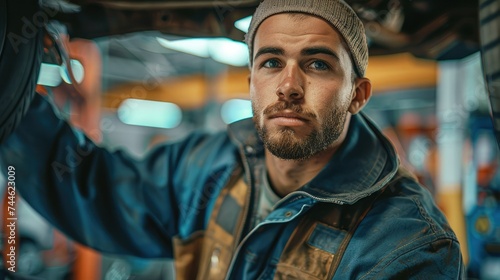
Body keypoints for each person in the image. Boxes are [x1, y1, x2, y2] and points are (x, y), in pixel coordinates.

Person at [1, 0, 464, 279]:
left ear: (357, 95)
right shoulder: (209, 164)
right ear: (251, 84)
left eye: (318, 63)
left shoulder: (406, 245)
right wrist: (9, 92)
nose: (288, 85)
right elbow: (92, 190)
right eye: (270, 62)